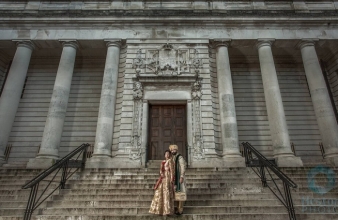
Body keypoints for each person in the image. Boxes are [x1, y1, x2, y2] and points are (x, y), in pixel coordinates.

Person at [149, 150, 175, 216]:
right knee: (160, 191)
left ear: (169, 155)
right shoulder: (163, 161)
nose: (167, 155)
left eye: (168, 154)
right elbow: (161, 169)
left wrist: (172, 179)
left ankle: (167, 210)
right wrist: (161, 173)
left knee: (166, 192)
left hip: (168, 176)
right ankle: (160, 210)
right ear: (164, 155)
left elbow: (172, 170)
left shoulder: (170, 161)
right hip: (163, 177)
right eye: (166, 154)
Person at [169, 144, 187, 215]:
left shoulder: (179, 157)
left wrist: (182, 176)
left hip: (179, 177)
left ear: (177, 150)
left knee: (181, 193)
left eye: (174, 150)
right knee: (175, 193)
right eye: (172, 150)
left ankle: (180, 209)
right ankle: (176, 208)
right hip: (174, 178)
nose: (173, 151)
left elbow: (182, 166)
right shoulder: (172, 158)